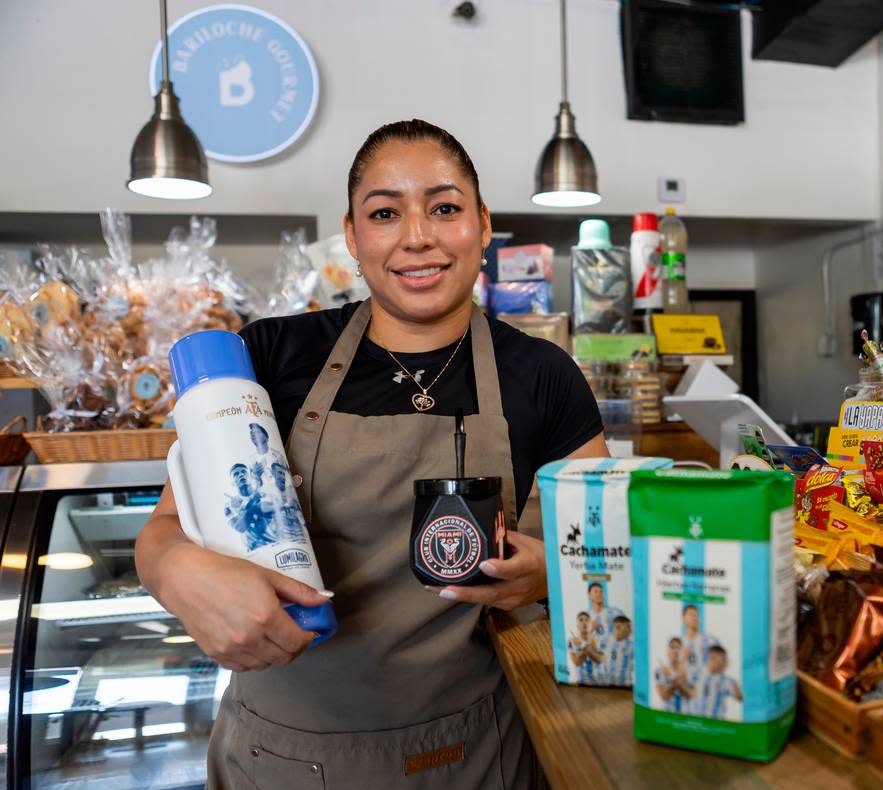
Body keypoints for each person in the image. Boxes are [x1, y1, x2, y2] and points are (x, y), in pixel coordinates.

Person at [135, 119, 608, 788]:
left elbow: (606, 562)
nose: (418, 236)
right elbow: (160, 531)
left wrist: (551, 579)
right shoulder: (272, 356)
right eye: (385, 213)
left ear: (481, 224)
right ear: (353, 237)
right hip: (281, 759)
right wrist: (179, 572)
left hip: (475, 754)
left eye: (444, 207)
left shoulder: (544, 375)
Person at [223, 464, 275, 551]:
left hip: (276, 544)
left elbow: (269, 511)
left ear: (250, 476)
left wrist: (244, 504)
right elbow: (240, 527)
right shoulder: (229, 505)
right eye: (236, 474)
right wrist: (253, 499)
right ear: (232, 483)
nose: (241, 475)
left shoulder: (263, 493)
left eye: (244, 472)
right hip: (255, 551)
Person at [690, 645, 743, 719]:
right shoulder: (696, 673)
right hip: (696, 724)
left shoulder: (727, 681)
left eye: (726, 660)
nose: (726, 663)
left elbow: (739, 697)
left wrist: (736, 686)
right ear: (712, 658)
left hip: (715, 724)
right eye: (723, 659)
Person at [654, 637, 695, 712]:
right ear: (667, 651)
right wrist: (681, 680)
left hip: (685, 715)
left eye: (678, 648)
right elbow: (664, 696)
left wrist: (669, 677)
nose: (675, 651)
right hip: (667, 715)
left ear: (682, 651)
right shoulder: (660, 670)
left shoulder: (689, 671)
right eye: (672, 647)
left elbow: (690, 695)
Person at [247, 422, 286, 494]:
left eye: (257, 432)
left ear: (266, 437)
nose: (253, 434)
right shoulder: (251, 460)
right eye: (251, 433)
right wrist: (256, 476)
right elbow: (252, 486)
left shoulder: (278, 456)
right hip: (265, 498)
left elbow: (287, 477)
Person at [568, 611, 606, 685]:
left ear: (590, 624)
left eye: (587, 620)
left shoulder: (598, 640)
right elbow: (576, 662)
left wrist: (581, 646)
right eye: (581, 620)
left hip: (600, 682)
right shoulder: (572, 641)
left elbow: (600, 659)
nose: (584, 622)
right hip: (581, 682)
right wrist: (589, 648)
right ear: (577, 625)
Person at [681, 604, 720, 673]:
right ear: (684, 619)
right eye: (691, 615)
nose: (694, 617)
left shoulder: (711, 640)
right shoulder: (680, 643)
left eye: (696, 615)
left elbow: (719, 664)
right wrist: (683, 659)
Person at [587, 581, 624, 647]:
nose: (599, 594)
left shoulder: (615, 612)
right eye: (596, 592)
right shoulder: (586, 617)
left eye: (601, 592)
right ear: (589, 595)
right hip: (596, 654)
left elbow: (627, 630)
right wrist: (591, 630)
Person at [604, 615, 634, 686]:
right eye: (628, 627)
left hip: (625, 688)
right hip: (607, 687)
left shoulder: (632, 646)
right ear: (618, 627)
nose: (630, 630)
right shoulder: (605, 643)